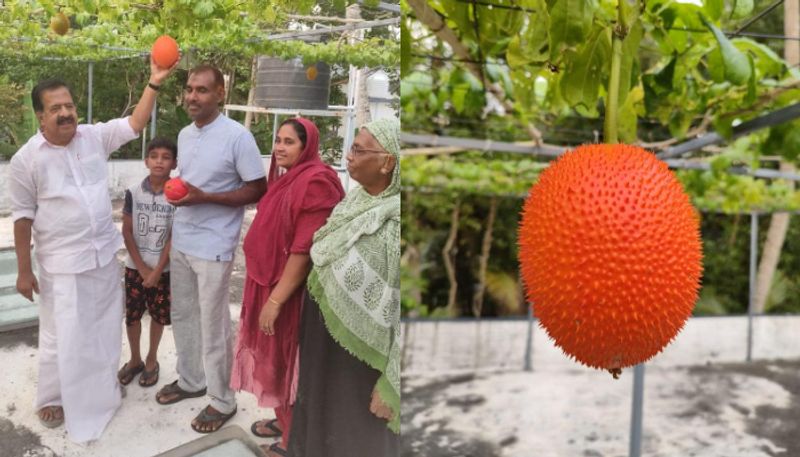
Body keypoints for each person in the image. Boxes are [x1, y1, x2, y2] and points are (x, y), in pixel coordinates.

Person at [8, 58, 176, 443]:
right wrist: (23, 270)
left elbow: (135, 125)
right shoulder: (26, 160)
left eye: (69, 105)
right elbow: (22, 218)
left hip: (102, 257)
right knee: (61, 334)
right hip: (61, 265)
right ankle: (52, 396)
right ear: (40, 115)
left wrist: (154, 82)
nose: (66, 113)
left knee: (102, 329)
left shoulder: (93, 137)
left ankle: (100, 393)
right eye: (56, 108)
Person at [154, 64, 267, 434]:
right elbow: (189, 182)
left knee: (213, 324)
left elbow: (257, 188)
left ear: (220, 93)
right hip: (184, 239)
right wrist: (182, 191)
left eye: (202, 90)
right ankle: (191, 380)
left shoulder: (237, 136)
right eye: (189, 89)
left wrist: (205, 197)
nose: (192, 96)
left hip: (215, 245)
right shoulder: (186, 135)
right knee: (184, 315)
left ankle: (222, 399)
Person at [231, 117, 345, 456]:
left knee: (286, 362)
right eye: (278, 140)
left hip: (289, 292)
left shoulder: (316, 182)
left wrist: (277, 300)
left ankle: (290, 442)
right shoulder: (287, 179)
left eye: (289, 142)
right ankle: (284, 421)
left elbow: (303, 250)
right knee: (272, 361)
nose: (279, 147)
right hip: (266, 282)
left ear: (306, 146)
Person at [288, 117, 401, 457]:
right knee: (318, 419)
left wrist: (394, 384)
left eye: (359, 149)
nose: (349, 156)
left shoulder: (398, 224)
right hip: (325, 348)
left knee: (350, 433)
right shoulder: (355, 202)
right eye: (351, 147)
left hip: (361, 364)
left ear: (388, 163)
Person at [117, 138, 177, 388]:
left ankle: (152, 360)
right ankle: (135, 360)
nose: (159, 161)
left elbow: (175, 235)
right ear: (146, 161)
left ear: (174, 163)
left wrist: (158, 270)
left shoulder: (177, 193)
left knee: (158, 316)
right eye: (154, 156)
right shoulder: (133, 191)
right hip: (135, 268)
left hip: (164, 270)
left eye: (165, 157)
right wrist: (142, 268)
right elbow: (127, 231)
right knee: (132, 315)